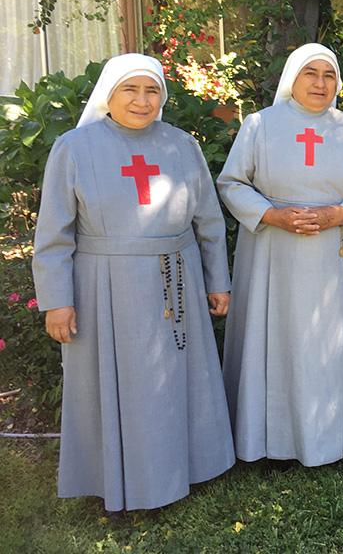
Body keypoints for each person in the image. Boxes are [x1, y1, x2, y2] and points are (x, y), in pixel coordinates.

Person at [32, 53, 234, 515]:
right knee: (120, 382)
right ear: (109, 93)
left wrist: (217, 280)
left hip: (175, 279)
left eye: (152, 90)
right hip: (106, 287)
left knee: (176, 380)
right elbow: (54, 233)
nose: (143, 101)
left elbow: (207, 219)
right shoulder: (75, 147)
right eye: (131, 89)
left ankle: (186, 466)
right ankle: (116, 477)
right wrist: (57, 301)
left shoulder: (182, 145)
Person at [218, 43, 343, 467]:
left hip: (336, 251)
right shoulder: (259, 126)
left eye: (329, 75)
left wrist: (340, 212)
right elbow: (232, 184)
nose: (320, 84)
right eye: (310, 74)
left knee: (336, 342)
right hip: (274, 255)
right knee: (279, 341)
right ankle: (274, 438)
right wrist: (273, 216)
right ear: (292, 78)